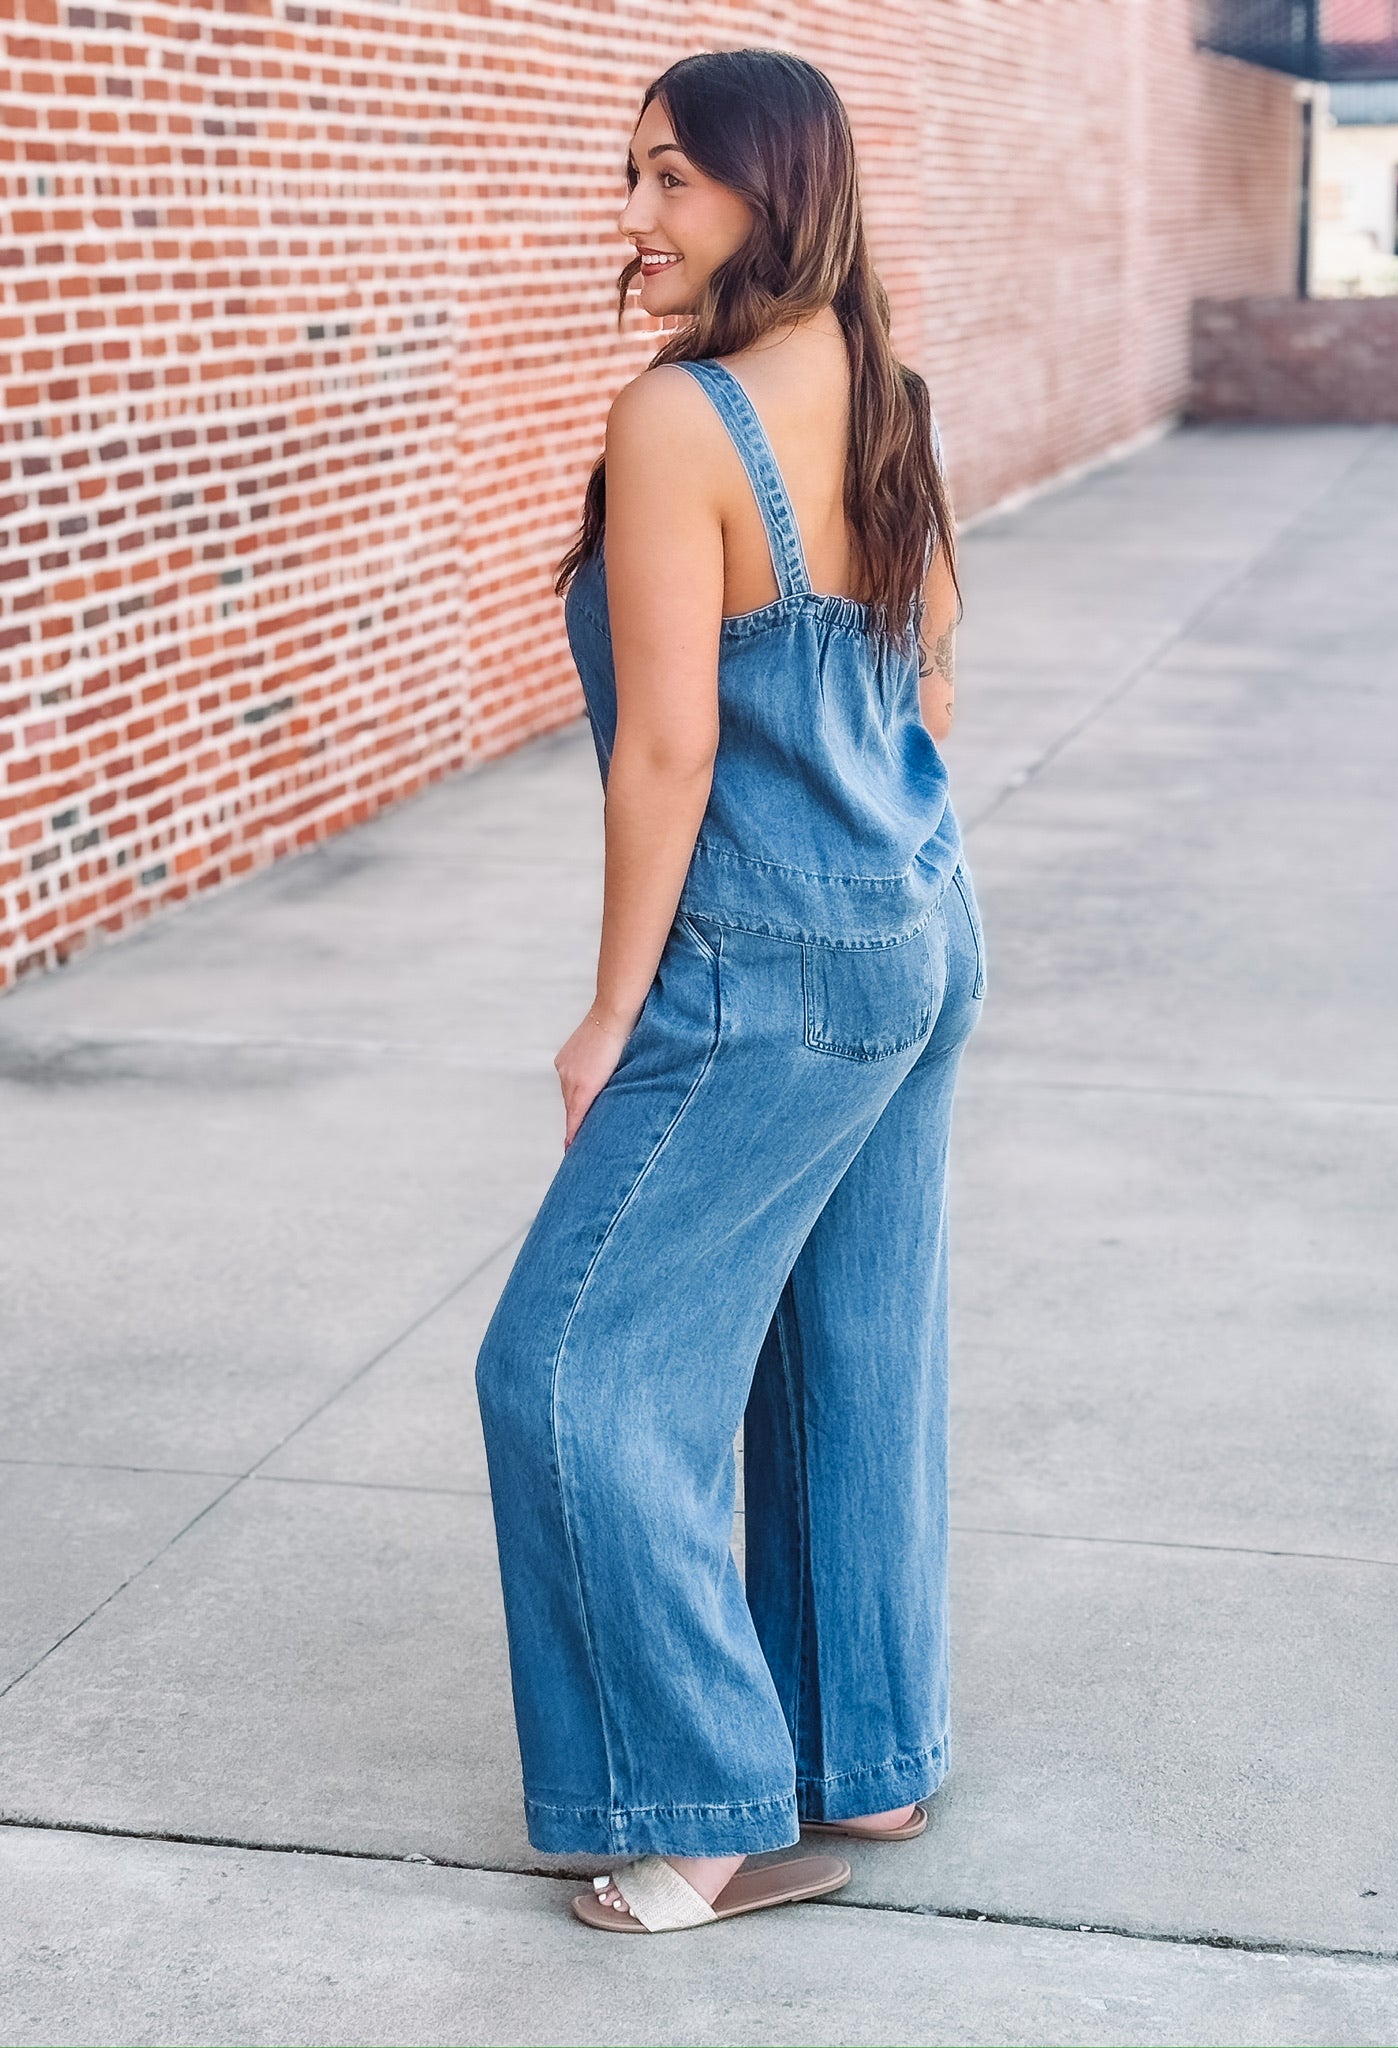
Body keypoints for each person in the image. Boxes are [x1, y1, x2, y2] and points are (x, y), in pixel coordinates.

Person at [475, 45, 986, 1937]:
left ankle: (707, 1814)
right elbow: (934, 668)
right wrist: (901, 870)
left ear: (774, 188)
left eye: (671, 179)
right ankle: (876, 1760)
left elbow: (669, 751)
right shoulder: (885, 388)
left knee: (566, 1365)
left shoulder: (681, 418)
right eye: (634, 177)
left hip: (761, 960)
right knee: (852, 1352)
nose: (637, 217)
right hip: (916, 920)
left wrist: (617, 1010)